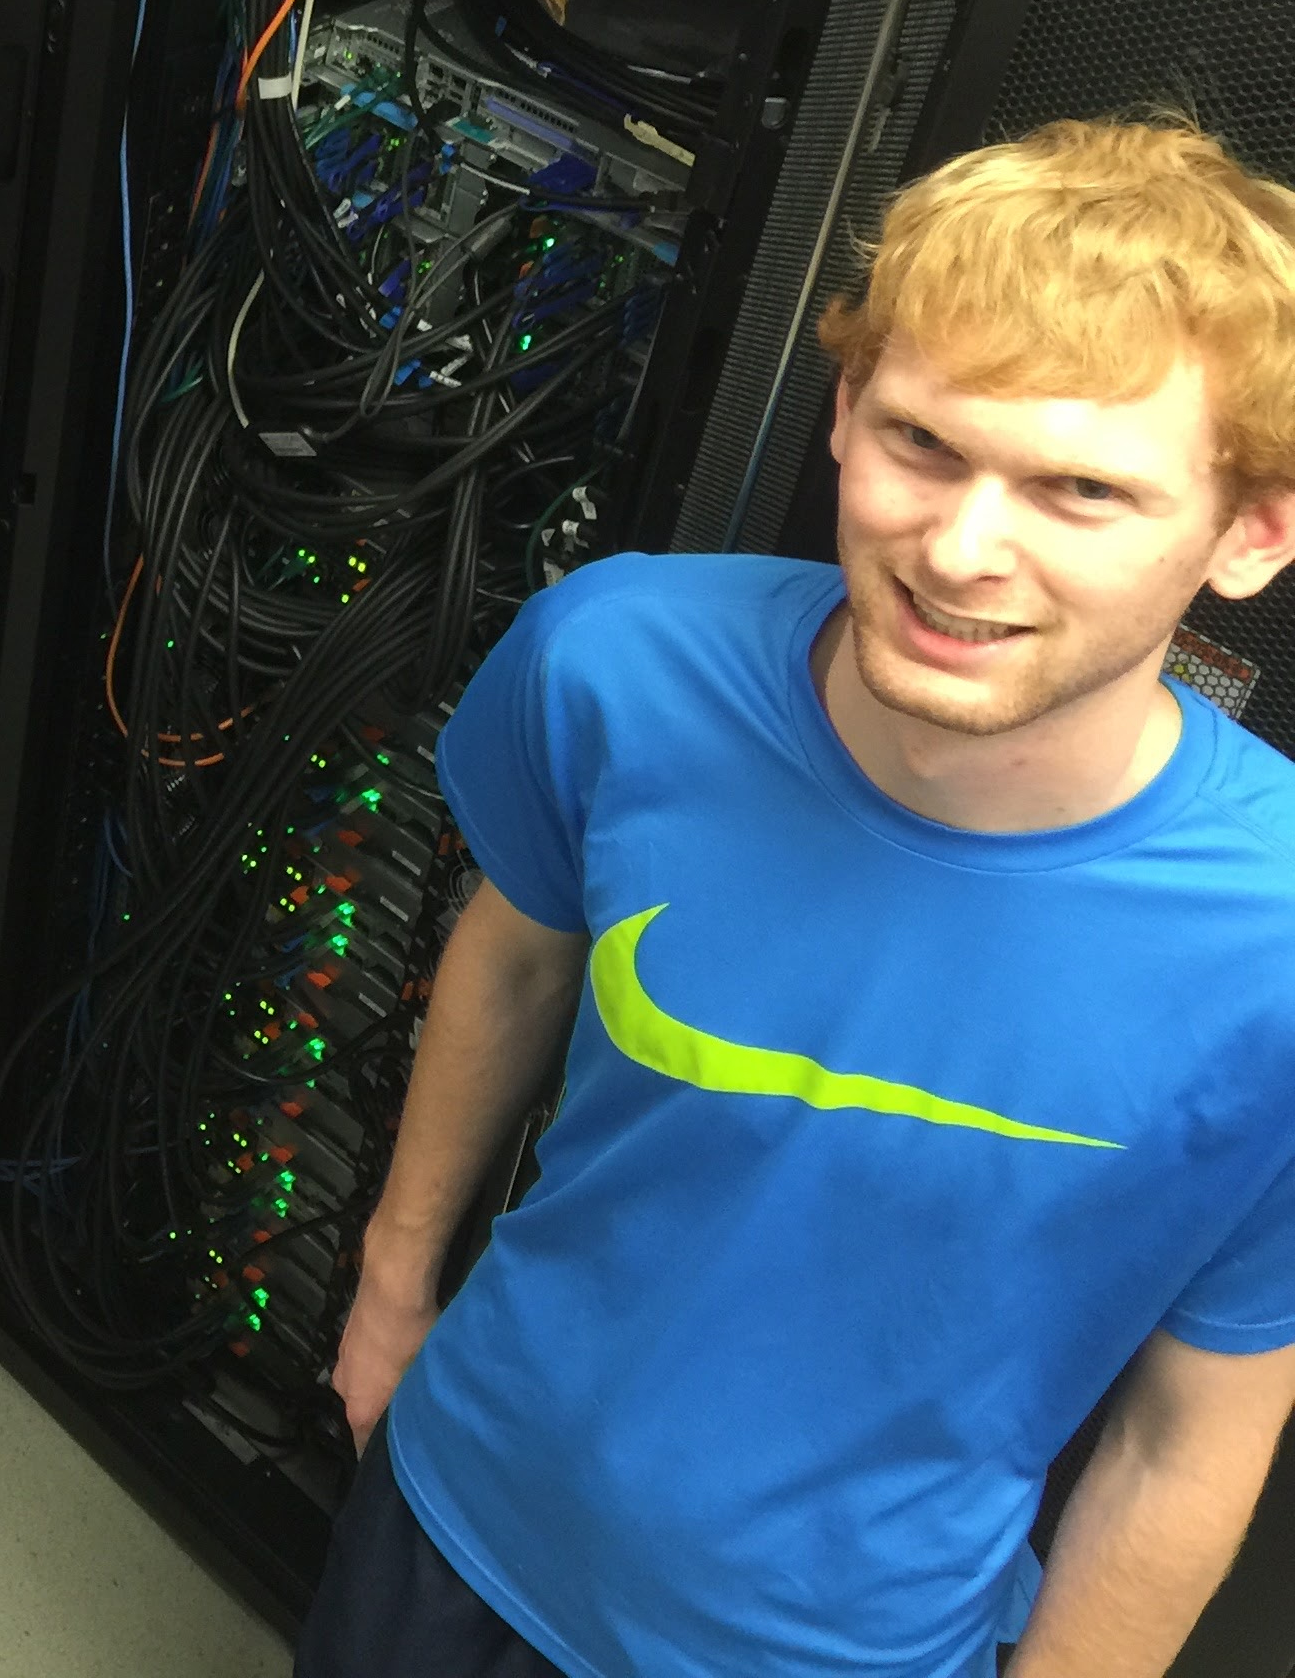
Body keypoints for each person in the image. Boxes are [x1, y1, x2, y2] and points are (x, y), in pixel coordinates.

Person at [308, 120, 1295, 1678]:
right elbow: (508, 964)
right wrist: (387, 1290)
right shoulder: (616, 665)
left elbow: (1192, 1435)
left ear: (1251, 532)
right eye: (924, 443)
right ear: (844, 413)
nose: (963, 549)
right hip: (455, 1523)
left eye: (1080, 491)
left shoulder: (1275, 949)